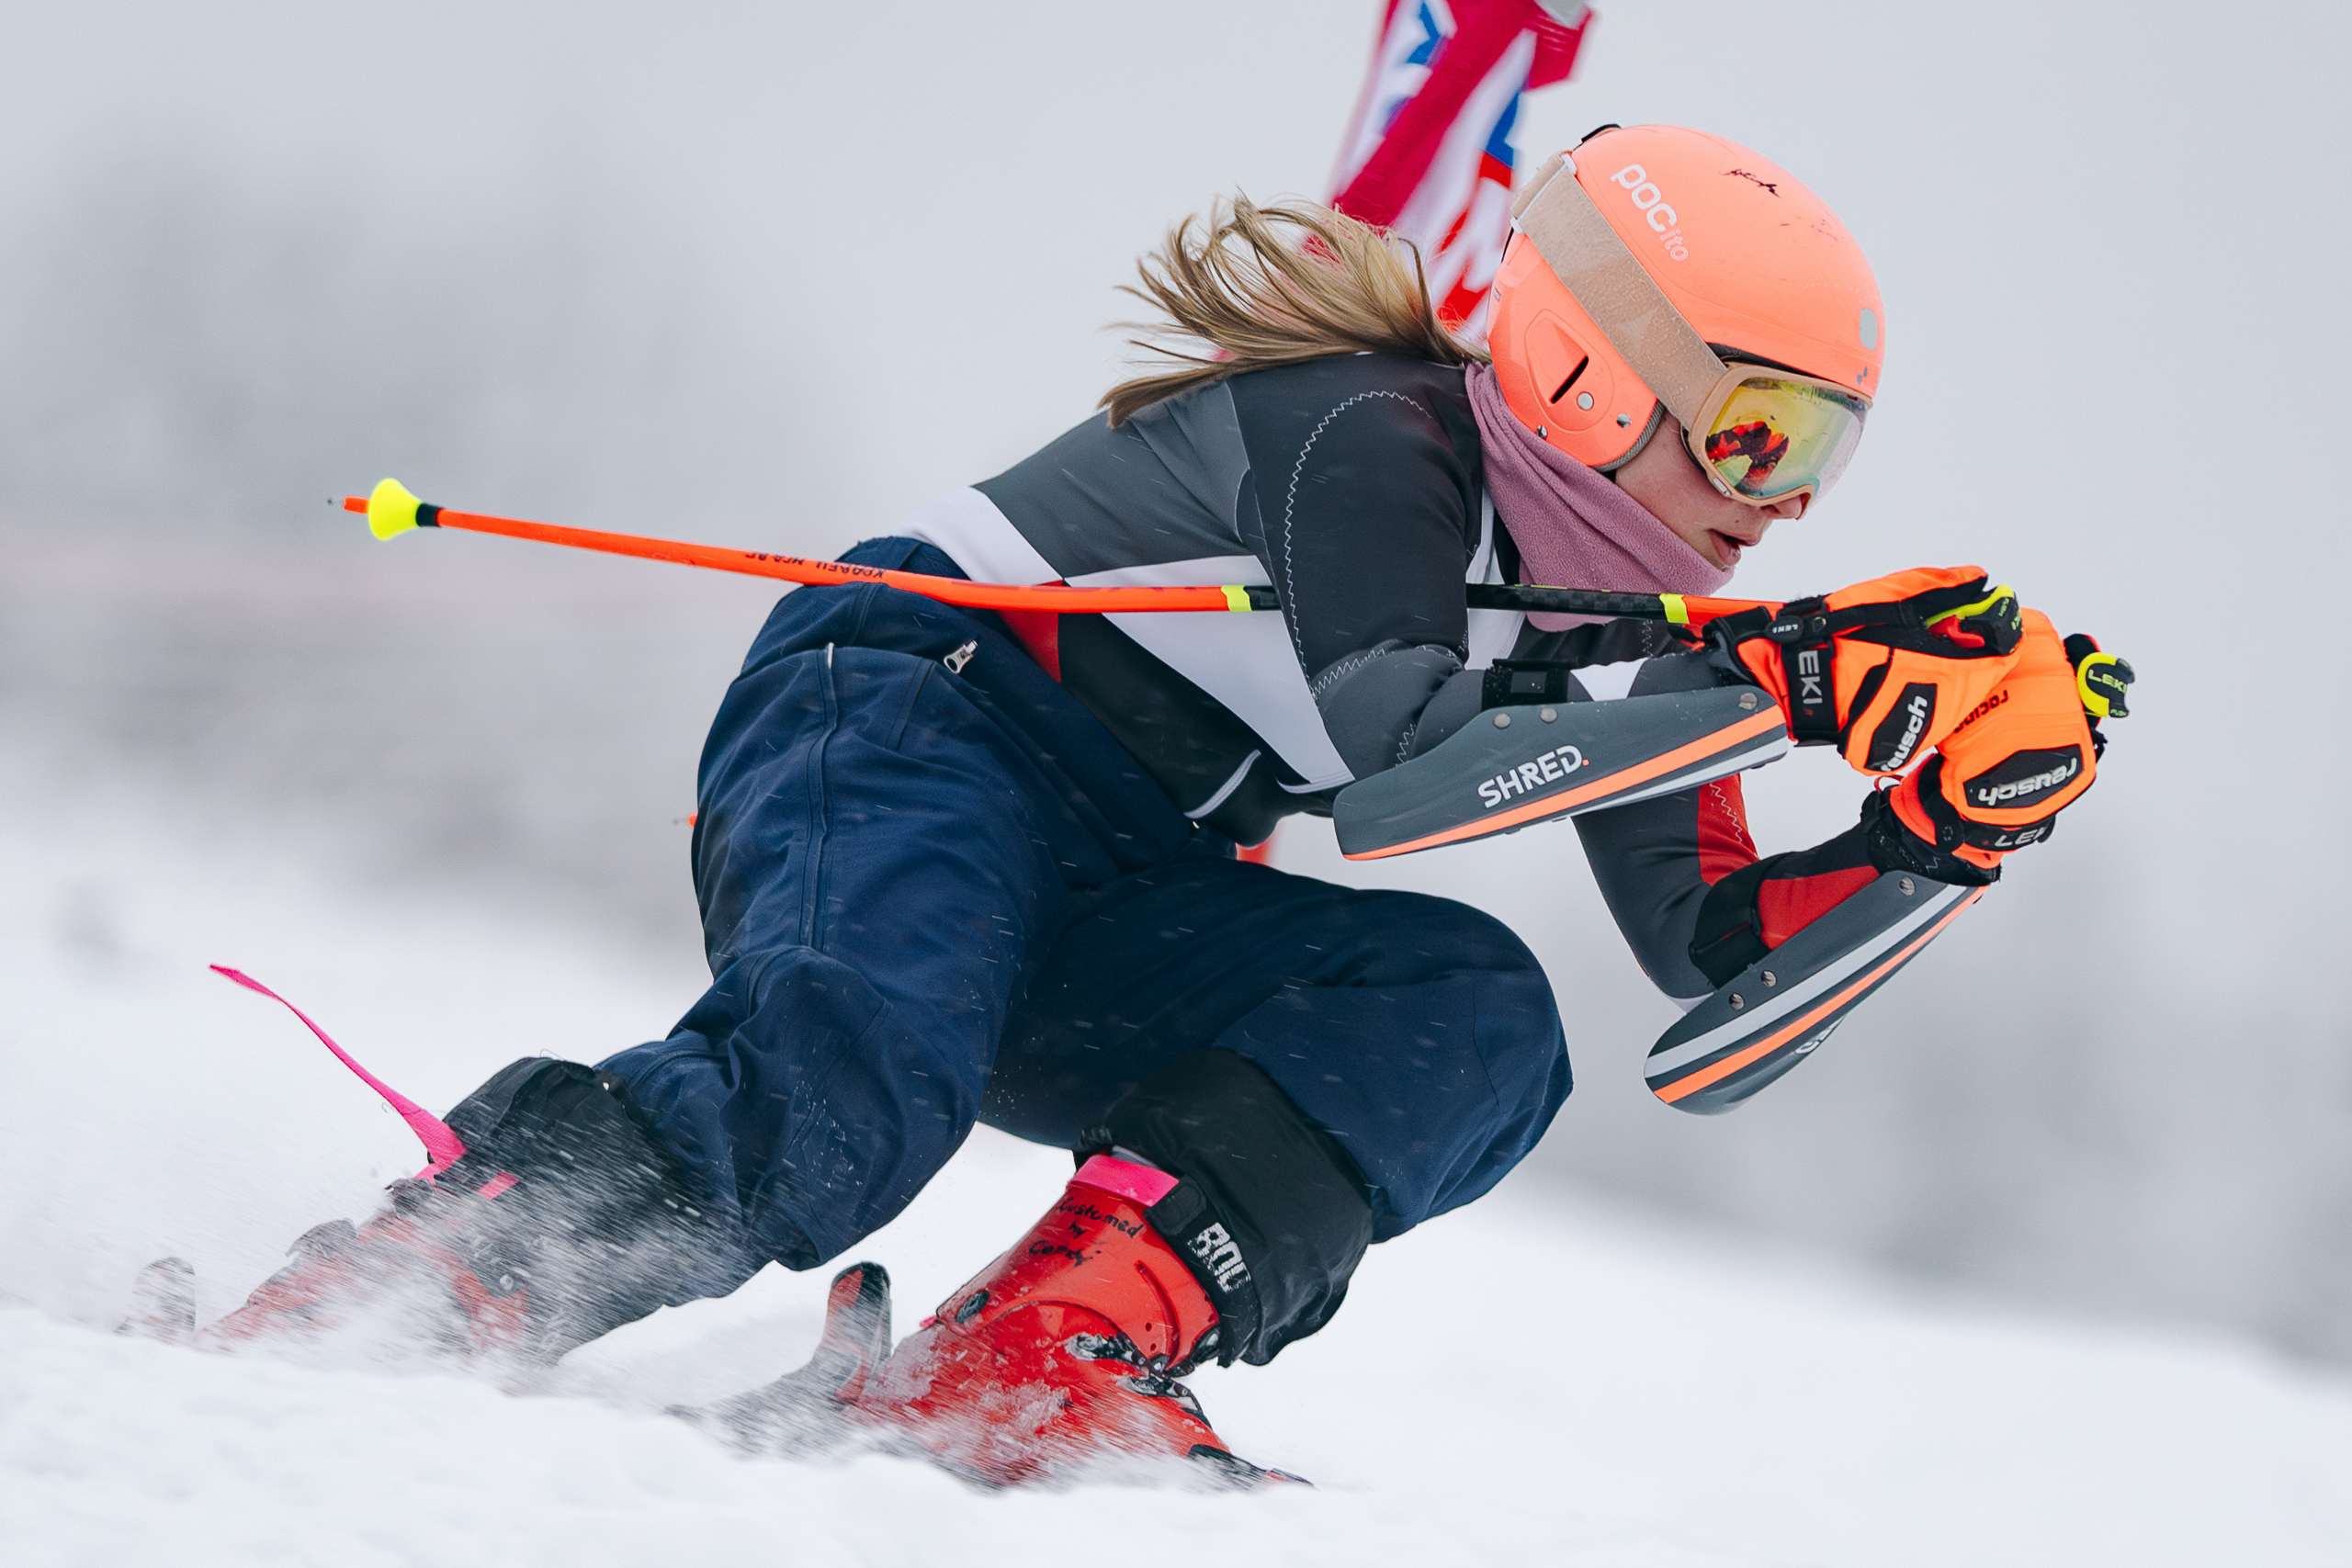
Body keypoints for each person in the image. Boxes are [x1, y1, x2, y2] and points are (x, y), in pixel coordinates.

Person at [199, 125, 2122, 1484]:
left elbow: (1721, 996)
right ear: (1588, 364)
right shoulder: (1375, 432)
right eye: (1754, 425)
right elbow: (1401, 750)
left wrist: (1943, 834)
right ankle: (434, 1271)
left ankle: (1037, 1354)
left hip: (1132, 868)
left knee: (1470, 1013)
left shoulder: (1647, 627)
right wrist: (1770, 680)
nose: (1778, 495)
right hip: (917, 721)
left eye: (1821, 449)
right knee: (851, 1097)